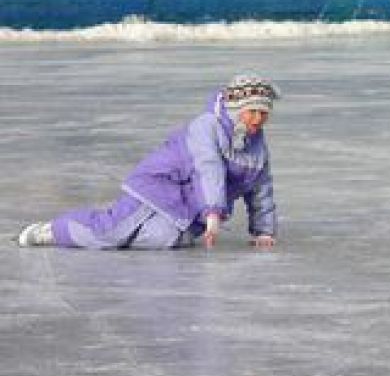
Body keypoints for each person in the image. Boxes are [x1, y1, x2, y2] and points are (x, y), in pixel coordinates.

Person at [15, 74, 280, 251]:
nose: (257, 118)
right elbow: (207, 167)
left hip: (189, 212)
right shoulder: (207, 126)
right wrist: (213, 212)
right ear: (236, 108)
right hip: (158, 187)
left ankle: (104, 225)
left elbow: (261, 189)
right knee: (111, 233)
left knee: (167, 240)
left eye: (263, 112)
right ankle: (54, 230)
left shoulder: (257, 149)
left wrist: (263, 231)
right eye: (252, 111)